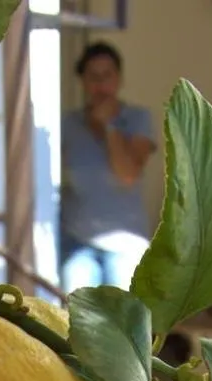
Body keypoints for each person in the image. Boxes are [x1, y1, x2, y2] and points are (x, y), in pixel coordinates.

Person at [59, 42, 157, 292]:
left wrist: (109, 127)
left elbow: (128, 174)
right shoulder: (68, 124)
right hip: (77, 242)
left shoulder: (137, 119)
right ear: (82, 82)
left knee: (123, 321)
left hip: (126, 244)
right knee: (77, 320)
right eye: (93, 76)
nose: (101, 84)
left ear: (119, 79)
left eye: (107, 75)